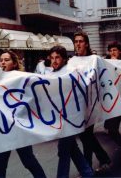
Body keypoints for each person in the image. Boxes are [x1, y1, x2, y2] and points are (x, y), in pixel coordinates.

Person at [43, 45, 94, 178]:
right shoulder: (50, 73)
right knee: (72, 149)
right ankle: (87, 173)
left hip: (71, 119)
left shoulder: (71, 72)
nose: (54, 61)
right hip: (60, 119)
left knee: (64, 151)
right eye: (52, 58)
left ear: (64, 59)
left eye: (57, 58)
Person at [0, 50, 46, 178]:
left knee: (28, 161)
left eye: (6, 60)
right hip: (2, 130)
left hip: (19, 128)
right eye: (1, 60)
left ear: (14, 63)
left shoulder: (21, 79)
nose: (2, 62)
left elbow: (31, 99)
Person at [73, 31, 111, 173]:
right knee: (85, 136)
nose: (78, 44)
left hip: (91, 103)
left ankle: (87, 168)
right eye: (76, 41)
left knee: (85, 135)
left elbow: (103, 77)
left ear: (86, 43)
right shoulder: (72, 61)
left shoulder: (95, 59)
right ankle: (103, 159)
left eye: (81, 41)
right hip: (78, 104)